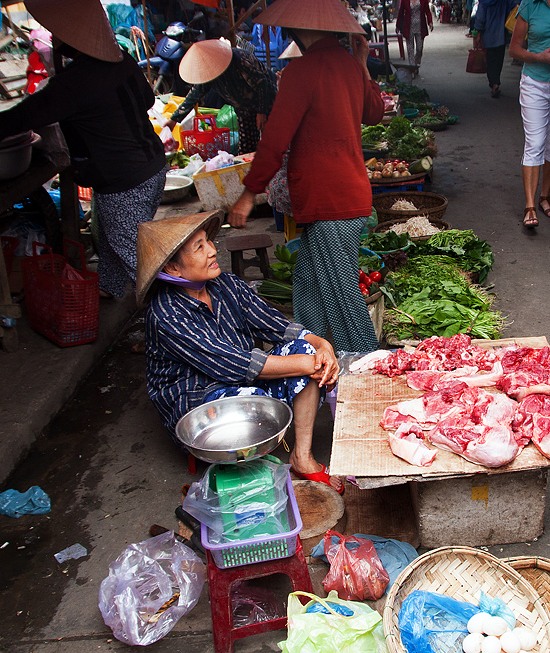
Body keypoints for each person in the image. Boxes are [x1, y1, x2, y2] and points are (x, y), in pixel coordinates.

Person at [0, 0, 165, 300]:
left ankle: (179, 321)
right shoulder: (123, 62)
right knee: (114, 240)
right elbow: (147, 102)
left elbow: (24, 116)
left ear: (70, 37)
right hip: (153, 167)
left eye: (56, 32)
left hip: (125, 181)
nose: (52, 37)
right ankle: (108, 290)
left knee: (136, 257)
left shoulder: (74, 82)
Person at [138, 212, 343, 493]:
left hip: (243, 379)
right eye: (200, 247)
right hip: (200, 401)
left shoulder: (226, 285)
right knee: (274, 388)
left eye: (208, 241)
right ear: (173, 269)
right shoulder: (165, 315)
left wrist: (322, 346)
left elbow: (278, 326)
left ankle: (302, 456)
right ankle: (253, 481)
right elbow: (231, 364)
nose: (213, 250)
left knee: (305, 352)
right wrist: (308, 364)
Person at [226, 0, 382, 354]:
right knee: (308, 283)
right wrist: (361, 64)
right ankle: (307, 356)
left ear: (295, 29)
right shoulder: (348, 65)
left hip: (330, 202)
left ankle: (366, 370)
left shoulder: (301, 71)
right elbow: (375, 112)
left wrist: (249, 194)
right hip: (342, 197)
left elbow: (275, 141)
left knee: (343, 299)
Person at [508, 0, 550, 228]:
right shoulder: (529, 5)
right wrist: (539, 57)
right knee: (535, 142)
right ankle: (529, 205)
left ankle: (545, 196)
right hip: (534, 82)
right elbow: (514, 49)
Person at [165, 38, 275, 156]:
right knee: (246, 150)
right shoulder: (209, 74)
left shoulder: (238, 61)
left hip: (267, 101)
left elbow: (262, 84)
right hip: (244, 110)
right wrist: (173, 120)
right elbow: (193, 96)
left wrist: (261, 112)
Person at [472, 0, 517, 98]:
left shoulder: (484, 2)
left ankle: (493, 83)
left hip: (488, 36)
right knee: (498, 60)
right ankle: (496, 81)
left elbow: (480, 18)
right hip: (501, 36)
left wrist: (478, 32)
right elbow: (514, 7)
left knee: (490, 61)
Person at [398, 0, 434, 69]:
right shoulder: (405, 1)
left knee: (419, 48)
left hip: (420, 27)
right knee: (410, 49)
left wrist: (430, 22)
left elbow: (427, 11)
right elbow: (401, 12)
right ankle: (412, 68)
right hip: (408, 27)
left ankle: (416, 63)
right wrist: (398, 25)